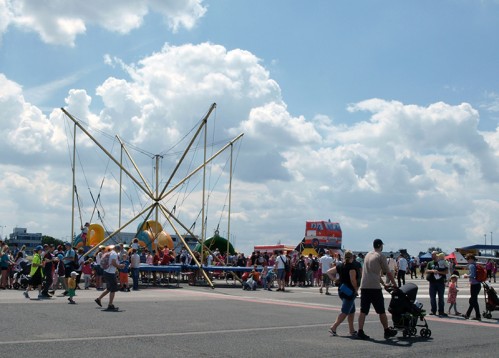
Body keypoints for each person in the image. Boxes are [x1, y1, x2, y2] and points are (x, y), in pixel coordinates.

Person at [356, 239, 398, 340]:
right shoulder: (381, 256)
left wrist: (383, 283)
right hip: (374, 287)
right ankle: (386, 330)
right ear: (380, 246)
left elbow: (373, 273)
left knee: (363, 310)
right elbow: (388, 272)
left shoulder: (367, 255)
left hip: (364, 286)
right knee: (381, 310)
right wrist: (394, 284)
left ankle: (360, 331)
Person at [327, 250, 358, 337]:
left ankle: (351, 330)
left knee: (351, 310)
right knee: (345, 311)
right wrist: (356, 289)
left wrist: (335, 280)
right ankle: (333, 327)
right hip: (350, 291)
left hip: (341, 289)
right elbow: (353, 280)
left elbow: (329, 272)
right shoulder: (351, 267)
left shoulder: (340, 265)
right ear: (352, 257)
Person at [95, 245, 124, 310]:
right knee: (113, 289)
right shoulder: (114, 254)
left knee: (109, 288)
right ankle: (110, 305)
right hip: (110, 273)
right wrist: (119, 266)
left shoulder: (110, 253)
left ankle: (98, 299)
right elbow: (113, 263)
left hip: (106, 272)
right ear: (118, 250)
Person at [426, 251, 449, 317]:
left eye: (433, 255)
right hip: (432, 283)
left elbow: (446, 272)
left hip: (440, 282)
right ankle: (433, 311)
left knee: (441, 298)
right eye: (432, 255)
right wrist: (432, 271)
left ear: (437, 255)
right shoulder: (430, 263)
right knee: (432, 298)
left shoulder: (443, 262)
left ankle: (441, 311)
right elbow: (426, 271)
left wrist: (438, 272)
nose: (432, 256)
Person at [463, 254, 481, 321]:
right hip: (478, 284)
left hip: (474, 285)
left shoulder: (471, 265)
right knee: (473, 300)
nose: (467, 260)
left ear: (471, 258)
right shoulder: (476, 264)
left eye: (467, 259)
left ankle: (473, 315)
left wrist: (466, 276)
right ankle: (468, 314)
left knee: (473, 301)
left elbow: (472, 275)